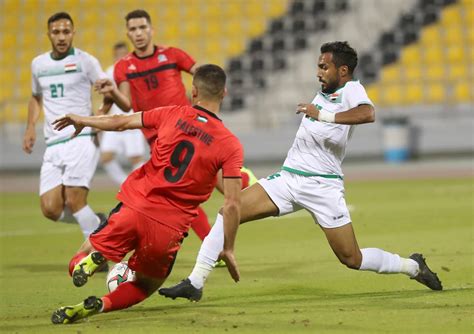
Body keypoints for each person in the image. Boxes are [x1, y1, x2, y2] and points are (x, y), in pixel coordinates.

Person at [158, 41, 443, 302]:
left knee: (351, 258)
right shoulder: (326, 91)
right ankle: (195, 282)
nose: (318, 71)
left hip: (323, 187)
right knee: (228, 212)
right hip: (289, 178)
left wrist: (323, 115)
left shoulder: (351, 89)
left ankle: (412, 266)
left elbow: (368, 114)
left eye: (324, 66)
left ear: (342, 70)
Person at [50, 64, 244, 324]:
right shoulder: (230, 144)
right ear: (224, 93)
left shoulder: (171, 114)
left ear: (193, 91)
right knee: (144, 287)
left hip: (135, 206)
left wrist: (83, 120)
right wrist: (228, 247)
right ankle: (99, 305)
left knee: (78, 260)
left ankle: (93, 259)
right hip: (169, 228)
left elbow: (121, 122)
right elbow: (232, 203)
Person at [95, 9, 213, 241]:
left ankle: (209, 241)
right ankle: (213, 241)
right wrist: (113, 92)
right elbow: (127, 104)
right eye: (133, 29)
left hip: (186, 131)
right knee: (181, 191)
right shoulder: (124, 66)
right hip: (157, 138)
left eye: (142, 28)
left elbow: (202, 75)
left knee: (177, 191)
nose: (138, 33)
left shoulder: (172, 55)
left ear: (151, 30)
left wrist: (203, 98)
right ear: (128, 33)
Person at [22, 12, 106, 239]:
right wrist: (30, 126)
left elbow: (109, 91)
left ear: (73, 33)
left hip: (80, 138)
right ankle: (99, 223)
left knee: (74, 199)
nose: (61, 37)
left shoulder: (85, 61)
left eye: (66, 32)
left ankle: (95, 255)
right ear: (48, 34)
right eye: (56, 32)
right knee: (50, 208)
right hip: (53, 143)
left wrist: (99, 118)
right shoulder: (38, 64)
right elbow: (36, 97)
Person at [99, 42, 145, 185]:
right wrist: (101, 115)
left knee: (136, 158)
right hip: (114, 120)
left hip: (132, 118)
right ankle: (125, 184)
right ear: (114, 56)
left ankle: (141, 186)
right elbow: (107, 97)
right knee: (106, 157)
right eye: (118, 55)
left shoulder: (136, 68)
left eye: (123, 54)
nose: (121, 57)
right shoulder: (109, 72)